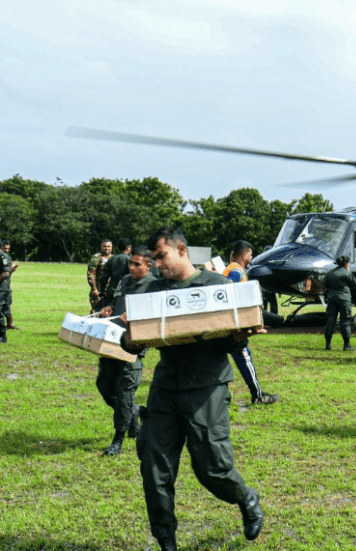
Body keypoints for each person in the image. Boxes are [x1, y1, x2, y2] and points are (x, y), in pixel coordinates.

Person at [121, 226, 263, 550]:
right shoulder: (152, 290)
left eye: (162, 256)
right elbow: (132, 343)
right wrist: (127, 338)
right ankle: (166, 542)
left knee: (212, 467)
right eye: (154, 258)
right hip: (166, 388)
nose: (157, 264)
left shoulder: (217, 285)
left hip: (207, 386)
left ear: (181, 250)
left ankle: (246, 498)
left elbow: (233, 341)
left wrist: (242, 335)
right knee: (154, 471)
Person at [96, 245, 155, 456]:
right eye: (130, 262)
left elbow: (157, 320)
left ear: (148, 266)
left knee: (124, 392)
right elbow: (114, 300)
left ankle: (118, 439)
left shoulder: (154, 286)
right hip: (112, 342)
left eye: (136, 264)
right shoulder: (124, 281)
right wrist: (108, 308)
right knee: (104, 386)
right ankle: (136, 412)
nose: (131, 267)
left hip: (133, 348)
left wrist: (136, 320)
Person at [223, 240, 279, 405]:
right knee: (244, 356)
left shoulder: (230, 268)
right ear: (244, 254)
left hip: (229, 321)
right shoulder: (236, 271)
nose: (252, 257)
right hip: (234, 324)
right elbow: (229, 289)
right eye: (251, 254)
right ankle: (258, 395)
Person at [324, 255, 356, 351]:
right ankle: (346, 345)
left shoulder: (330, 273)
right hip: (344, 299)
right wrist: (348, 270)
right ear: (346, 263)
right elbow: (354, 283)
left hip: (332, 298)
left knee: (330, 321)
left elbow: (325, 286)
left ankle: (328, 344)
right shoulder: (346, 273)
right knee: (345, 322)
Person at [98, 238, 132, 311]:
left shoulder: (112, 258)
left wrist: (102, 290)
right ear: (128, 247)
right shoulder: (129, 259)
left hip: (111, 291)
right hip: (125, 291)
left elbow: (104, 276)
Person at [87, 239, 113, 312]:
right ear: (101, 247)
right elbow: (91, 274)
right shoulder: (96, 258)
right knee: (96, 310)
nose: (106, 248)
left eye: (108, 246)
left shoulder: (113, 258)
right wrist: (94, 288)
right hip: (98, 290)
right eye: (104, 246)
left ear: (111, 248)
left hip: (110, 290)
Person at [0, 241, 20, 330]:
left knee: (7, 304)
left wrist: (12, 269)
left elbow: (7, 274)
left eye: (8, 249)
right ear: (0, 247)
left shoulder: (7, 257)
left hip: (6, 285)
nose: (7, 250)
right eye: (5, 248)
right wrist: (11, 268)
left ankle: (9, 324)